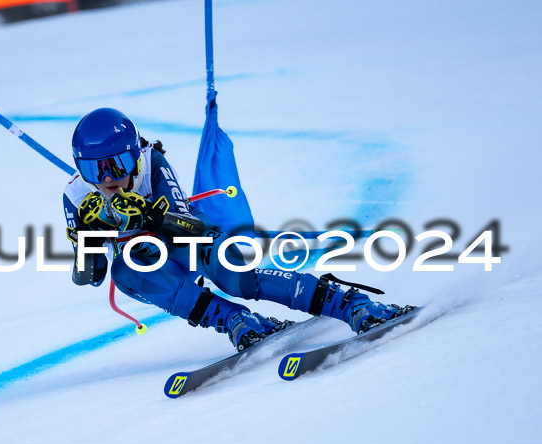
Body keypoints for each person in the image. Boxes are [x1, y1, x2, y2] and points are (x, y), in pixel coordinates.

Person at [63, 108, 412, 351]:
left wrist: (147, 217)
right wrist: (86, 236)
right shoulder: (76, 195)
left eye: (116, 165)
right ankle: (236, 320)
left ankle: (348, 303)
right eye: (95, 171)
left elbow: (191, 228)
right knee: (128, 273)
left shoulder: (151, 163)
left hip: (187, 236)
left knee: (237, 279)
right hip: (149, 259)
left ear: (135, 155)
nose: (108, 179)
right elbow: (89, 277)